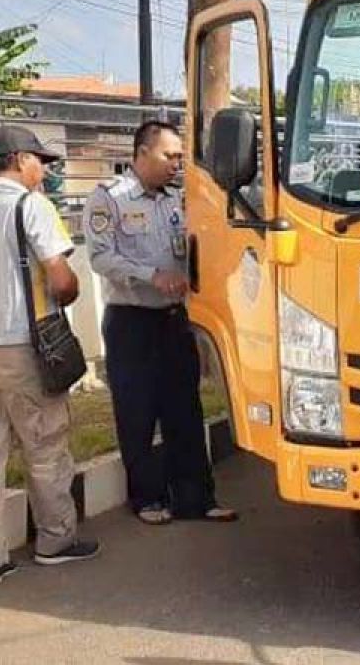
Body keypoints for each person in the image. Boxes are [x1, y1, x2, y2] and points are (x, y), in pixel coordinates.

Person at [0, 125, 101, 588]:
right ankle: (55, 541)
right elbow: (62, 281)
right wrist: (68, 292)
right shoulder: (32, 206)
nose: (45, 171)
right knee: (46, 444)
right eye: (39, 161)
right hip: (20, 343)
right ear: (18, 160)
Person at [83, 120, 237, 526]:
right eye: (169, 155)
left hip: (174, 318)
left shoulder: (177, 200)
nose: (176, 164)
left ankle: (196, 498)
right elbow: (100, 258)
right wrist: (151, 275)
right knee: (137, 412)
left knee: (184, 409)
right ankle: (148, 499)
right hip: (131, 321)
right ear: (142, 152)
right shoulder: (109, 198)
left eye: (180, 157)